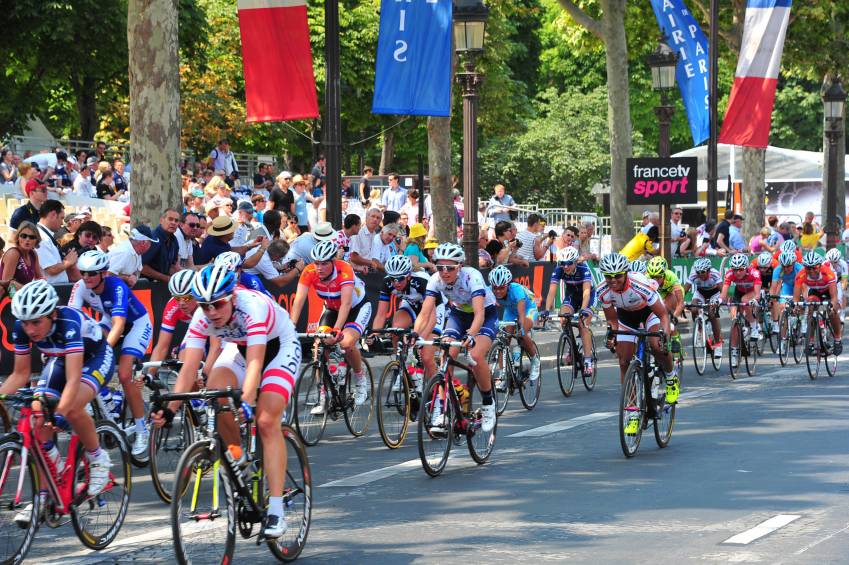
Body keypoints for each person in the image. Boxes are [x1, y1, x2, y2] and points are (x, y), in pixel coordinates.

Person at [152, 264, 300, 538]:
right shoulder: (202, 317)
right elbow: (188, 369)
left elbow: (256, 363)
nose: (212, 312)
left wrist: (247, 400)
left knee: (266, 420)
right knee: (214, 392)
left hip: (279, 347)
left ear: (232, 297)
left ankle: (277, 511)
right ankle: (239, 457)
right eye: (206, 306)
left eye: (218, 305)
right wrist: (170, 409)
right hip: (240, 349)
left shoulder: (251, 307)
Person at [1, 281, 114, 496]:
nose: (30, 329)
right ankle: (53, 480)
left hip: (96, 357)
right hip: (59, 358)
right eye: (25, 323)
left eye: (36, 322)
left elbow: (73, 380)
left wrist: (60, 412)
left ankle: (98, 457)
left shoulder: (67, 323)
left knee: (70, 408)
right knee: (37, 412)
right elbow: (19, 374)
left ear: (52, 314)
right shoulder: (22, 328)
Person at [69, 250, 154, 460]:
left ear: (104, 273)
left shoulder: (116, 286)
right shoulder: (80, 286)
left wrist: (104, 351)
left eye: (92, 273)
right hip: (109, 321)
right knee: (85, 354)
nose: (86, 277)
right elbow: (71, 318)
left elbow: (119, 324)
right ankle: (108, 396)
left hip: (136, 324)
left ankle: (142, 429)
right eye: (83, 273)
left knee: (124, 374)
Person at [413, 243, 497, 433]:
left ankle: (487, 401)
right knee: (446, 354)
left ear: (459, 266)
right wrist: (415, 335)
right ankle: (443, 407)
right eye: (440, 267)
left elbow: (479, 314)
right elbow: (425, 313)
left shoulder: (472, 276)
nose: (444, 272)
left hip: (484, 316)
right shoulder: (435, 279)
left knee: (475, 356)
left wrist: (471, 335)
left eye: (450, 267)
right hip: (458, 315)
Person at [289, 241, 371, 413]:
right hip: (332, 309)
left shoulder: (344, 269)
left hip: (356, 308)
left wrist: (337, 330)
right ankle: (323, 395)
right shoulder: (309, 271)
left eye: (324, 263)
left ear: (333, 261)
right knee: (319, 347)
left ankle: (360, 379)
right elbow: (298, 301)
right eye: (316, 263)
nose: (319, 267)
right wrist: (290, 326)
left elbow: (347, 303)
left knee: (346, 343)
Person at [597, 253, 677, 405]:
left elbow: (663, 315)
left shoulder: (639, 284)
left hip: (649, 311)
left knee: (657, 345)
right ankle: (632, 410)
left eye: (617, 275)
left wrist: (664, 336)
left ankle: (671, 378)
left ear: (626, 273)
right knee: (623, 361)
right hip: (626, 316)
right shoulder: (603, 290)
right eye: (608, 276)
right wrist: (612, 335)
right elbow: (613, 320)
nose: (613, 280)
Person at [370, 255, 445, 385]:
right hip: (411, 304)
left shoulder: (422, 281)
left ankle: (437, 394)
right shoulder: (388, 283)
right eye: (393, 279)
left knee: (425, 354)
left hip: (433, 308)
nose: (396, 283)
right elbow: (381, 314)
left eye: (400, 278)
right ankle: (401, 366)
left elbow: (430, 317)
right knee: (396, 329)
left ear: (409, 275)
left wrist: (419, 338)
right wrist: (374, 334)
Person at [541, 247, 596, 376]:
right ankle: (572, 346)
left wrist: (582, 310)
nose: (565, 266)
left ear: (575, 262)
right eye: (562, 263)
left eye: (569, 263)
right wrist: (546, 310)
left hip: (588, 296)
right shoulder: (559, 270)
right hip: (572, 295)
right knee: (563, 317)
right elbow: (551, 292)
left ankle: (588, 360)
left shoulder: (583, 269)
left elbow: (586, 293)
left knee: (583, 324)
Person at [489, 265, 541, 383]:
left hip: (528, 309)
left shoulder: (516, 290)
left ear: (507, 285)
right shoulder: (490, 291)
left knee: (521, 334)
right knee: (503, 339)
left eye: (501, 288)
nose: (498, 291)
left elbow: (521, 314)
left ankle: (535, 360)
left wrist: (521, 329)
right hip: (510, 311)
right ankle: (503, 375)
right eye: (495, 288)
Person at [793, 251, 842, 354]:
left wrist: (833, 306)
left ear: (820, 266)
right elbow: (796, 297)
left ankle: (837, 339)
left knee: (833, 311)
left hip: (828, 290)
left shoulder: (828, 273)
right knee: (810, 306)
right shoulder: (801, 275)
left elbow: (834, 297)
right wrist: (796, 305)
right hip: (815, 291)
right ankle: (810, 342)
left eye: (814, 268)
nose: (811, 271)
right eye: (808, 268)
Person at [720, 253, 763, 365]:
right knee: (734, 319)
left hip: (752, 291)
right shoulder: (729, 274)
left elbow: (757, 294)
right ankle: (734, 352)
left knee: (744, 301)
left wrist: (755, 300)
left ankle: (754, 326)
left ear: (746, 268)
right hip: (738, 292)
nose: (738, 272)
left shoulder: (754, 273)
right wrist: (720, 301)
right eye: (735, 270)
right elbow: (723, 295)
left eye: (740, 269)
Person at [684, 257, 724, 356]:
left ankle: (718, 344)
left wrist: (719, 301)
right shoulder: (693, 274)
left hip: (714, 293)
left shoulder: (714, 274)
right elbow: (684, 290)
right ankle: (699, 330)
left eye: (703, 272)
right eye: (698, 272)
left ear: (709, 270)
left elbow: (723, 291)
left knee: (712, 314)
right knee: (693, 309)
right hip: (701, 292)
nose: (700, 274)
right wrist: (681, 302)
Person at [645, 256, 684, 354]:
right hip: (658, 294)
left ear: (664, 274)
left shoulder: (671, 276)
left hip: (671, 294)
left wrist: (675, 317)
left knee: (665, 309)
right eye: (653, 277)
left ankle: (675, 337)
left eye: (659, 277)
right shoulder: (646, 277)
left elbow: (680, 303)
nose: (655, 279)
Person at [35, 200, 77, 284]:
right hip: (51, 289)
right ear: (53, 214)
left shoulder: (44, 235)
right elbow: (51, 269)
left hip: (54, 288)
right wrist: (68, 262)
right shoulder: (42, 238)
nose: (62, 223)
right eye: (61, 218)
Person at [0, 221, 44, 297]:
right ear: (18, 237)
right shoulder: (13, 253)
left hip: (24, 297)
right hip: (8, 299)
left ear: (36, 240)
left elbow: (39, 278)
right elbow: (7, 285)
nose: (27, 239)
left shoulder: (33, 254)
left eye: (32, 237)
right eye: (23, 236)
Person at [141, 208, 181, 282]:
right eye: (170, 219)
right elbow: (140, 266)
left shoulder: (174, 240)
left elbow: (172, 266)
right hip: (143, 284)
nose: (173, 223)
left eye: (176, 220)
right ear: (161, 220)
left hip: (162, 284)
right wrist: (166, 278)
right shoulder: (153, 238)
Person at [350, 208, 383, 274]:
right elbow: (353, 257)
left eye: (378, 218)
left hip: (371, 272)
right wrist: (370, 262)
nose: (375, 219)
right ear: (366, 218)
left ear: (380, 221)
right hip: (358, 272)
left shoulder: (375, 235)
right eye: (373, 216)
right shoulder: (358, 233)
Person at [825, 247, 848, 319]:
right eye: (830, 262)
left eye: (835, 262)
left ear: (838, 260)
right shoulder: (825, 264)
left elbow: (844, 279)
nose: (832, 264)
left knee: (842, 292)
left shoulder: (843, 264)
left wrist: (843, 288)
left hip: (840, 278)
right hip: (830, 280)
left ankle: (842, 312)